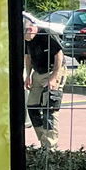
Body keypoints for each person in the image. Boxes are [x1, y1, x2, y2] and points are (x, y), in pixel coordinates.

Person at [22, 16, 65, 152]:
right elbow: (28, 57)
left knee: (49, 108)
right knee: (32, 106)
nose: (25, 39)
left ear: (30, 29)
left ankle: (51, 146)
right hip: (38, 72)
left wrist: (53, 77)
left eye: (25, 35)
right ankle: (43, 141)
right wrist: (28, 75)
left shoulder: (46, 34)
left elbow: (59, 55)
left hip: (53, 70)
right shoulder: (27, 39)